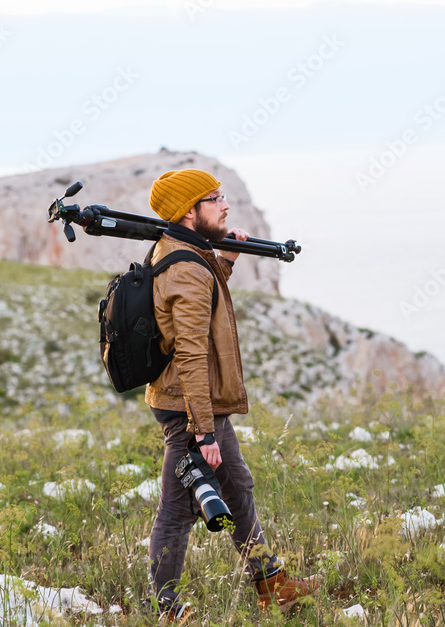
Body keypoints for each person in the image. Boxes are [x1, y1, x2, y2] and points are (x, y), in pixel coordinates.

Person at [144, 168, 320, 622]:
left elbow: (200, 302)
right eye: (215, 198)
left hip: (202, 406)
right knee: (179, 508)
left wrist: (225, 258)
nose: (225, 205)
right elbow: (190, 353)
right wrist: (202, 432)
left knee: (237, 489)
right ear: (189, 211)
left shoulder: (187, 254)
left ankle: (271, 584)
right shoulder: (183, 265)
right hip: (190, 409)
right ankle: (166, 609)